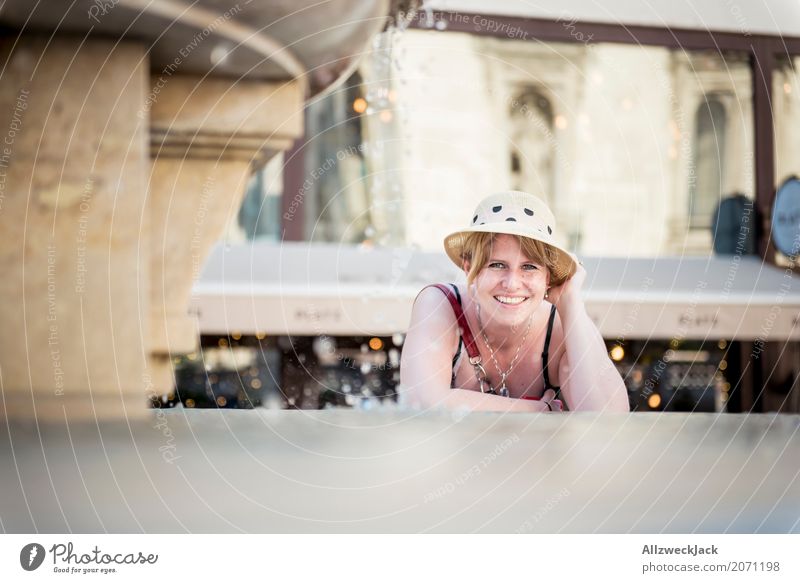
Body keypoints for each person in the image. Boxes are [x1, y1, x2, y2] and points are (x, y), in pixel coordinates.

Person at [400, 191, 629, 412]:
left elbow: (608, 418)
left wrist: (571, 302)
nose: (512, 284)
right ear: (471, 269)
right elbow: (420, 400)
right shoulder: (442, 305)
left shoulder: (560, 327)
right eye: (497, 265)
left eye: (529, 267)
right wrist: (535, 409)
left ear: (547, 278)